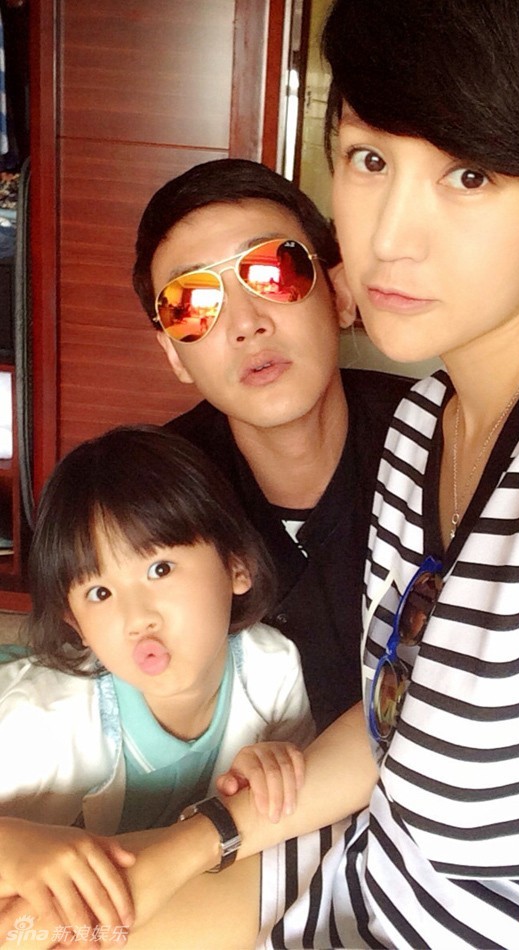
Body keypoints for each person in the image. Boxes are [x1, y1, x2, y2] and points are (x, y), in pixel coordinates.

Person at [2, 0, 519, 947]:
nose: (391, 236)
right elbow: (391, 717)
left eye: (469, 174)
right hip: (358, 866)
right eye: (368, 160)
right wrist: (185, 846)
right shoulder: (422, 431)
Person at [0, 426, 314, 938]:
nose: (137, 617)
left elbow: (296, 817)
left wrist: (275, 766)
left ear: (237, 564)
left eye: (160, 568)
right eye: (100, 593)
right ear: (75, 624)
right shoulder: (41, 720)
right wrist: (11, 845)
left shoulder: (272, 669)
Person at [132, 159, 412, 733]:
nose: (246, 323)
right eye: (192, 304)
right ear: (173, 355)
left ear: (339, 294)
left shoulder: (442, 440)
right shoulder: (155, 495)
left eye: (275, 271)